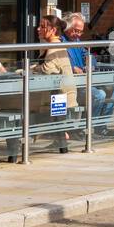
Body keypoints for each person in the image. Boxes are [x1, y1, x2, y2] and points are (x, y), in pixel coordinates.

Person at [31, 15, 76, 153]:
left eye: (43, 26)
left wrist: (28, 69)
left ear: (53, 30)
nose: (38, 29)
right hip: (64, 96)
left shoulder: (53, 47)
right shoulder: (56, 45)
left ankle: (18, 141)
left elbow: (47, 70)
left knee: (23, 108)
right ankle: (60, 140)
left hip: (62, 98)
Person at [63, 13, 112, 122]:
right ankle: (89, 127)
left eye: (81, 31)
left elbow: (87, 54)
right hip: (74, 86)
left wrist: (90, 64)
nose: (78, 34)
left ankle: (102, 125)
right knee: (99, 95)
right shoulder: (61, 41)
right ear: (67, 26)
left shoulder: (76, 41)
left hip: (84, 80)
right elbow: (61, 61)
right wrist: (72, 67)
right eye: (76, 30)